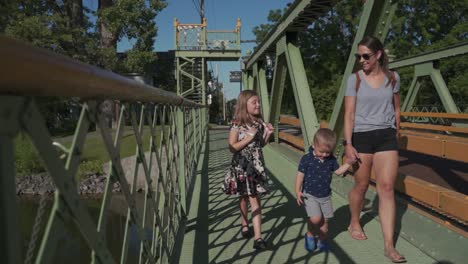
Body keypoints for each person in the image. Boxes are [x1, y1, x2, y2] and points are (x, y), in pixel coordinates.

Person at [344, 36, 406, 263]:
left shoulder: (393, 77)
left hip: (386, 137)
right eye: (358, 56)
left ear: (378, 55)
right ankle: (354, 220)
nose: (362, 60)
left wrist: (396, 131)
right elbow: (349, 114)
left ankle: (389, 246)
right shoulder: (355, 80)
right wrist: (348, 144)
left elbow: (397, 108)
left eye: (366, 56)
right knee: (361, 185)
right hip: (361, 137)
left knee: (387, 188)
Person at [223, 90, 274, 250]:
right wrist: (248, 138)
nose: (258, 105)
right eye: (254, 102)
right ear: (245, 105)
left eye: (258, 102)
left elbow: (260, 145)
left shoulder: (259, 122)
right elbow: (232, 147)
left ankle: (258, 238)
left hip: (256, 166)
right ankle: (245, 224)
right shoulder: (237, 123)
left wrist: (268, 135)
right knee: (244, 197)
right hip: (242, 165)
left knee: (254, 197)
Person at [295, 128, 352, 252]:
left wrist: (348, 163)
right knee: (316, 219)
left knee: (325, 224)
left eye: (328, 152)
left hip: (325, 196)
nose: (325, 155)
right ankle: (310, 235)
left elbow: (338, 172)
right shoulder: (307, 158)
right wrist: (297, 191)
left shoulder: (331, 159)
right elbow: (300, 175)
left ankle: (321, 239)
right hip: (310, 194)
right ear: (313, 145)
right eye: (322, 151)